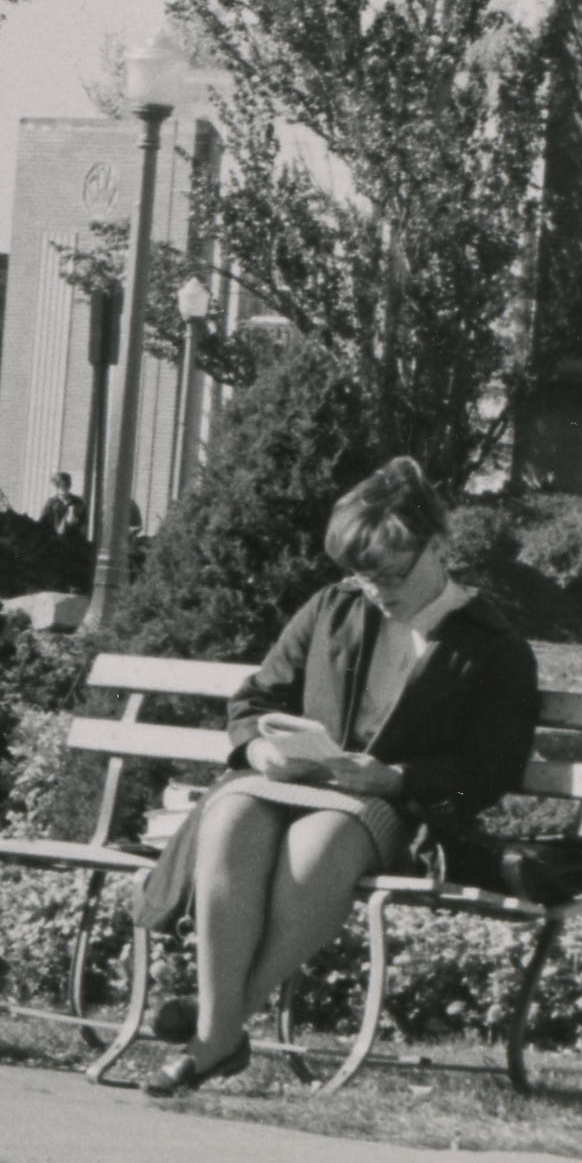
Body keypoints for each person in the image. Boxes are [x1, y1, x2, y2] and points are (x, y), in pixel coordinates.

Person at [118, 464, 546, 1097]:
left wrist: (396, 777)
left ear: (440, 549)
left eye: (392, 574)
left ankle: (215, 1031)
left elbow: (490, 769)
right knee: (230, 815)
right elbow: (253, 700)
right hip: (289, 783)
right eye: (363, 575)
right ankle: (222, 1030)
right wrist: (262, 753)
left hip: (390, 805)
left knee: (318, 847)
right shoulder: (332, 608)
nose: (377, 590)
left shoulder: (493, 645)